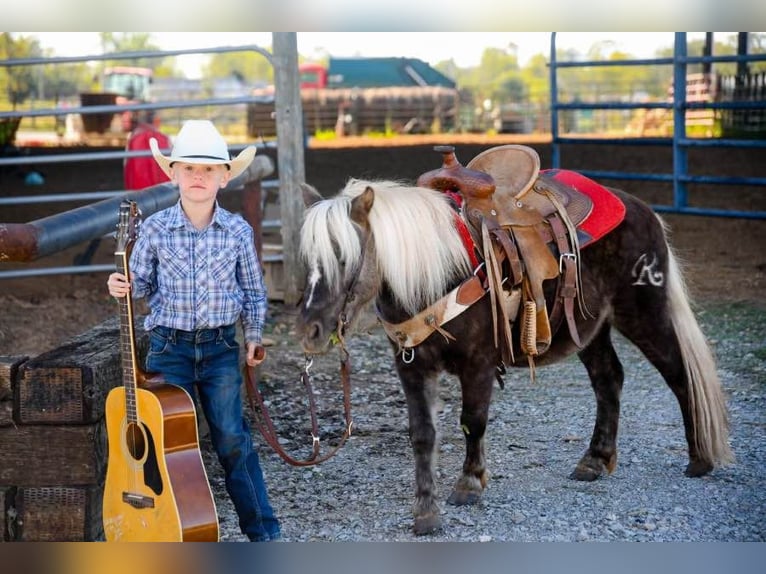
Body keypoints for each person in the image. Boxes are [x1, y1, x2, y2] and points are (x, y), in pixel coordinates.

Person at [106, 119, 281, 542]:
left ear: (224, 177)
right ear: (173, 174)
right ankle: (168, 529)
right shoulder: (153, 229)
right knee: (165, 445)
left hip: (220, 349)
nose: (198, 177)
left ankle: (264, 534)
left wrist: (254, 335)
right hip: (170, 349)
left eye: (208, 170)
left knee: (233, 440)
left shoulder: (238, 232)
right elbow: (142, 285)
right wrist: (121, 285)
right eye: (189, 168)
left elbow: (254, 292)